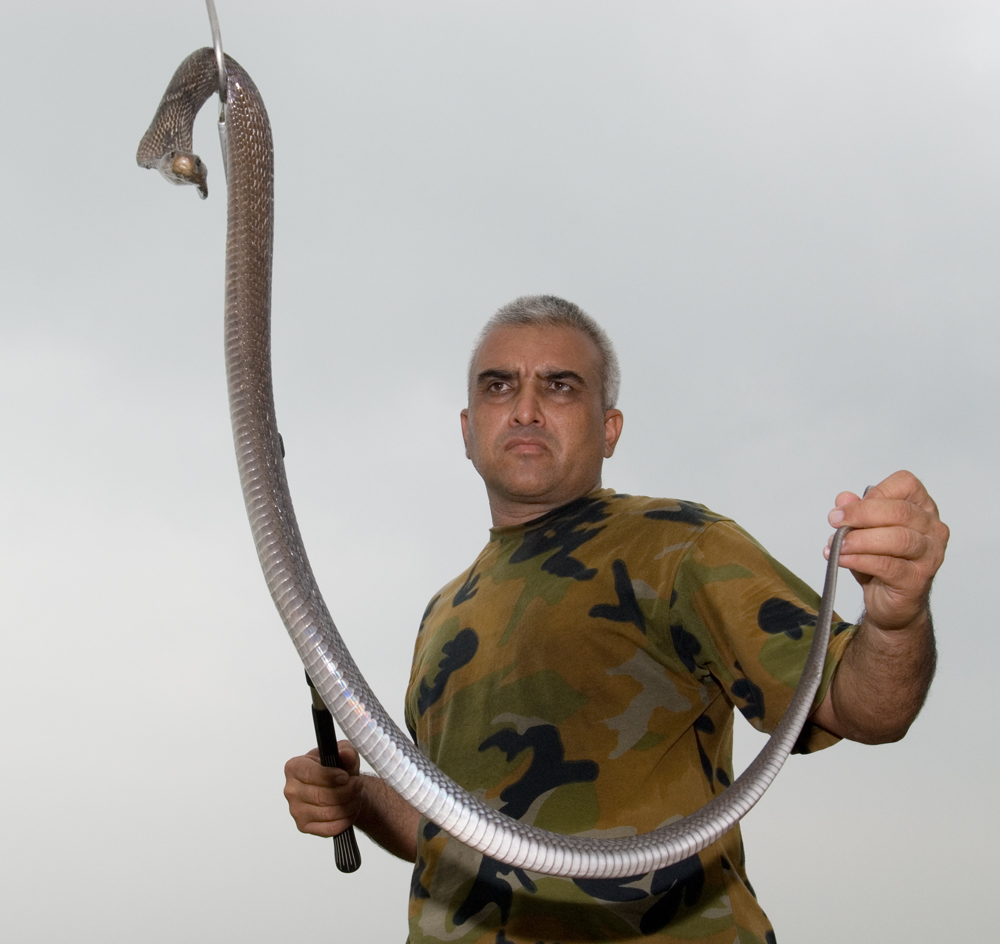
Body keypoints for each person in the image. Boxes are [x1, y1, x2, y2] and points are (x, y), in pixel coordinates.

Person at [284, 296, 947, 943]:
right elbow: (466, 832)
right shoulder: (444, 613)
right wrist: (366, 800)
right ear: (467, 428)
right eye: (499, 386)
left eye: (561, 387)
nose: (525, 409)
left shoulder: (678, 546)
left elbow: (863, 707)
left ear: (609, 427)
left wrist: (895, 622)